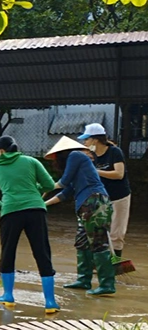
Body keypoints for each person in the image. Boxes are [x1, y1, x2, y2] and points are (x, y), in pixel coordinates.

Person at [0, 135, 59, 313]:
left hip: (10, 213)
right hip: (36, 211)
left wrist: (3, 206)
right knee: (42, 252)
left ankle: (8, 296)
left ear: (1, 151)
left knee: (8, 252)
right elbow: (49, 184)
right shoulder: (31, 161)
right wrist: (34, 190)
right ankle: (50, 302)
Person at [44, 136, 115, 296]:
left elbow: (63, 182)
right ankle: (83, 280)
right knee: (82, 243)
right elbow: (66, 192)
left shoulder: (76, 156)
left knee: (98, 243)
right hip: (86, 205)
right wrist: (44, 204)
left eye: (55, 157)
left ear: (62, 153)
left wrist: (46, 186)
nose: (54, 161)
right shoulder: (77, 166)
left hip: (94, 202)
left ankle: (107, 284)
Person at [77, 123, 131, 261]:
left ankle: (116, 262)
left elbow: (119, 174)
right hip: (101, 198)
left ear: (95, 139)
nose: (85, 142)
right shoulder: (91, 155)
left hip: (119, 197)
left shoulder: (114, 152)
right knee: (99, 232)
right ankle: (101, 262)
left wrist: (96, 171)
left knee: (116, 233)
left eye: (87, 139)